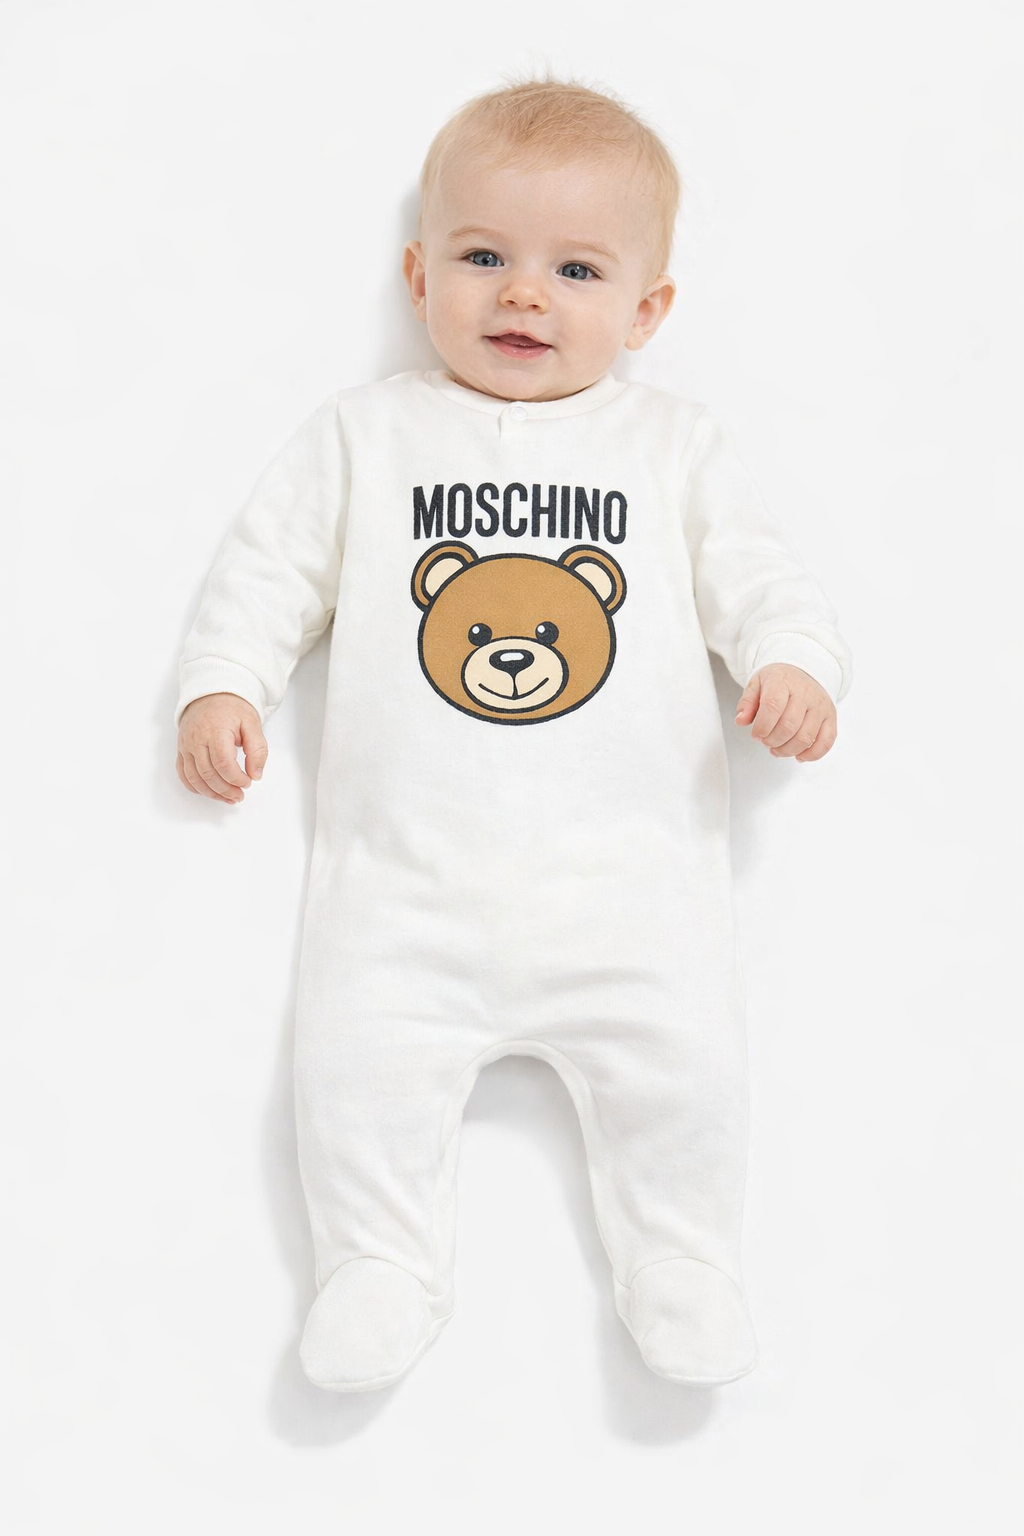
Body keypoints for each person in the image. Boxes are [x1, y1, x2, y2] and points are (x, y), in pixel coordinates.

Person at [174, 73, 852, 1392]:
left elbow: (765, 577)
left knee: (684, 1070)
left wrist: (792, 664)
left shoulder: (672, 448)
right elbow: (269, 569)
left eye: (576, 269)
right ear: (418, 275)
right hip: (405, 888)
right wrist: (223, 682)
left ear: (646, 310)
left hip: (634, 890)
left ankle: (682, 1257)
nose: (524, 296)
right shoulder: (368, 437)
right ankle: (379, 1260)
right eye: (484, 257)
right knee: (356, 1065)